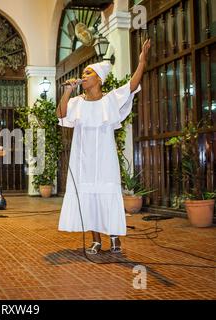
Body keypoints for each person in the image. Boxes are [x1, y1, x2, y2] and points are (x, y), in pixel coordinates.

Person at [56, 39, 151, 254]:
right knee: (88, 196)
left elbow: (132, 86)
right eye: (83, 73)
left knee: (107, 194)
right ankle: (96, 240)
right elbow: (60, 115)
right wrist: (68, 91)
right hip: (83, 159)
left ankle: (115, 236)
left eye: (88, 73)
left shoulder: (110, 100)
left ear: (99, 78)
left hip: (105, 158)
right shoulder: (77, 102)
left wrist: (142, 62)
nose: (83, 76)